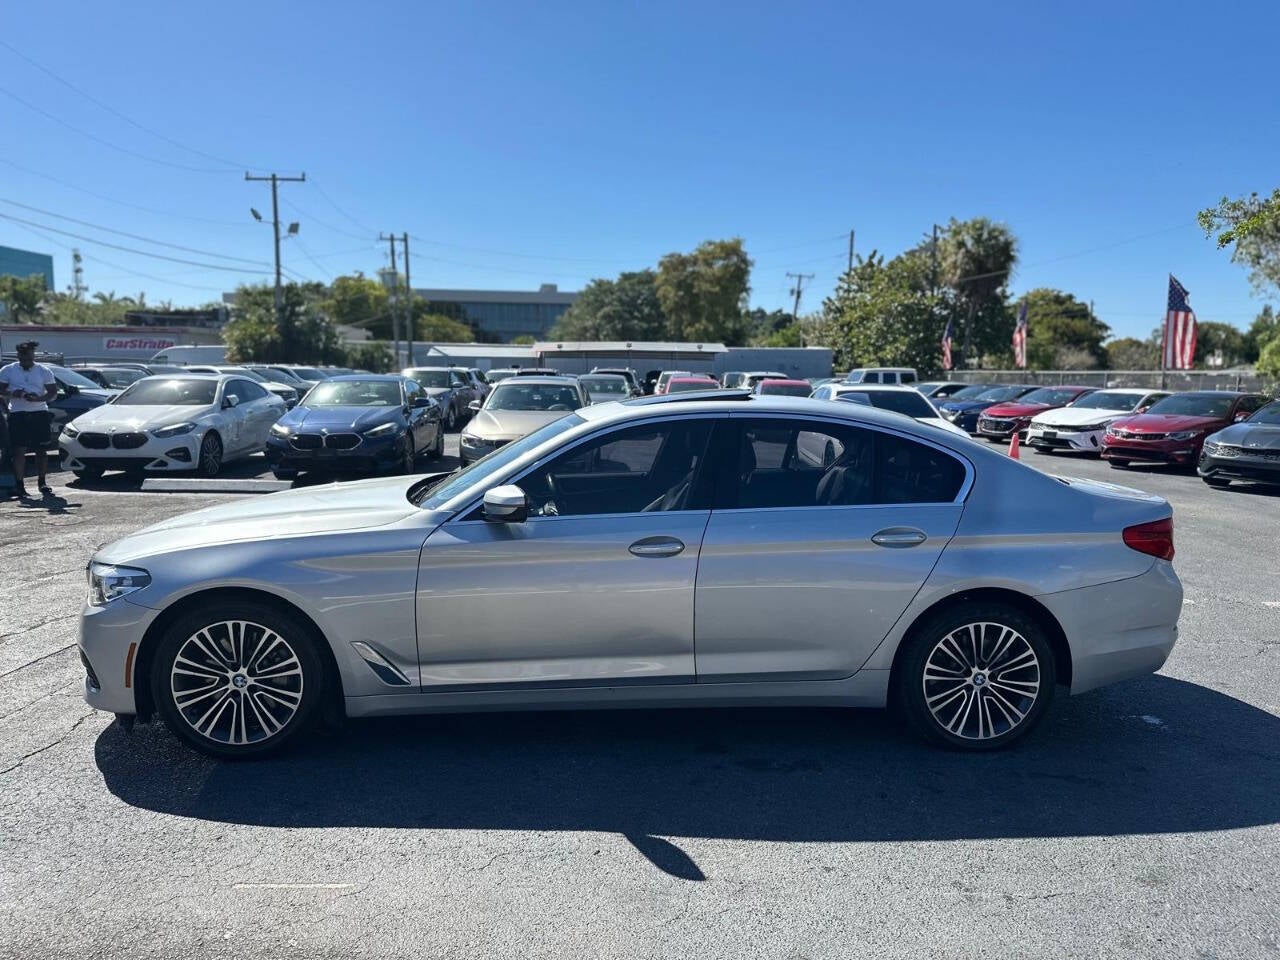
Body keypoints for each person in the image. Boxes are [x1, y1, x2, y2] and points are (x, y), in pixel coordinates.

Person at [0, 341, 58, 499]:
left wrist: (39, 398)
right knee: (19, 451)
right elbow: (1, 388)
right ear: (18, 355)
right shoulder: (8, 370)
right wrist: (14, 393)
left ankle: (42, 482)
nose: (25, 358)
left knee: (41, 450)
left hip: (39, 413)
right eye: (23, 355)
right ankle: (19, 485)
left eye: (29, 355)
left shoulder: (43, 370)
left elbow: (53, 392)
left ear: (33, 355)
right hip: (18, 414)